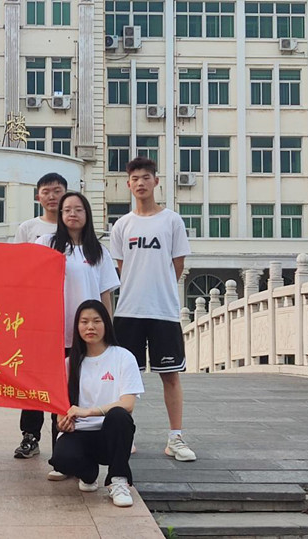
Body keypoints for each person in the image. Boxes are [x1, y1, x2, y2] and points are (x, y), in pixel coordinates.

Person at [110, 156, 196, 462]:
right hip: (128, 312)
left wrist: (160, 289)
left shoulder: (172, 221)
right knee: (124, 378)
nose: (140, 183)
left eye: (146, 177)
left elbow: (178, 265)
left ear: (156, 181)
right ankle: (124, 436)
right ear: (128, 184)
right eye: (135, 178)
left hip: (163, 312)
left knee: (170, 376)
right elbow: (121, 269)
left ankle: (175, 438)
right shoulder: (122, 225)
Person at [35, 192, 121, 478]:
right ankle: (60, 459)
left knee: (83, 393)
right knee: (58, 395)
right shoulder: (47, 244)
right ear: (60, 215)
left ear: (87, 214)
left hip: (89, 335)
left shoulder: (99, 252)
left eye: (78, 209)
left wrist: (108, 333)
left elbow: (106, 295)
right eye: (67, 210)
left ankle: (84, 453)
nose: (72, 214)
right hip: (55, 333)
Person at [48, 300, 144, 508]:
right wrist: (62, 422)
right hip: (80, 432)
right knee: (61, 459)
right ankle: (88, 474)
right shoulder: (69, 363)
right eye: (84, 322)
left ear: (106, 324)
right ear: (77, 327)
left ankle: (118, 480)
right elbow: (61, 408)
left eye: (96, 321)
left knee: (119, 415)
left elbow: (128, 404)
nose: (90, 327)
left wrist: (89, 412)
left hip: (110, 434)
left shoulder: (123, 357)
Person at [11, 174, 69, 459]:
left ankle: (64, 436)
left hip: (69, 316)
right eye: (46, 191)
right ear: (38, 197)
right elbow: (16, 269)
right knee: (33, 379)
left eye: (57, 191)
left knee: (66, 379)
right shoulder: (28, 228)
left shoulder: (75, 225)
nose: (52, 196)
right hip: (36, 317)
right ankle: (30, 436)